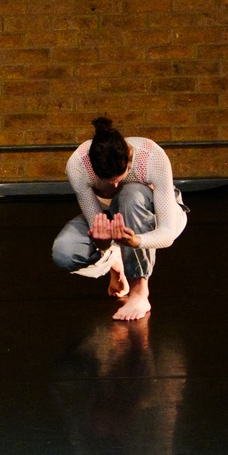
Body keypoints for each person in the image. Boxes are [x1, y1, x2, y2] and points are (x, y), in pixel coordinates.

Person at [51, 118, 188, 321]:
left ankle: (139, 291)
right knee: (64, 252)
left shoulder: (152, 156)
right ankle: (116, 262)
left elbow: (167, 234)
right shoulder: (78, 165)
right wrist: (104, 245)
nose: (114, 187)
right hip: (113, 215)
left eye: (119, 179)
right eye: (107, 182)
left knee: (129, 194)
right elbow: (96, 222)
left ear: (129, 156)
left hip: (158, 214)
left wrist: (135, 241)